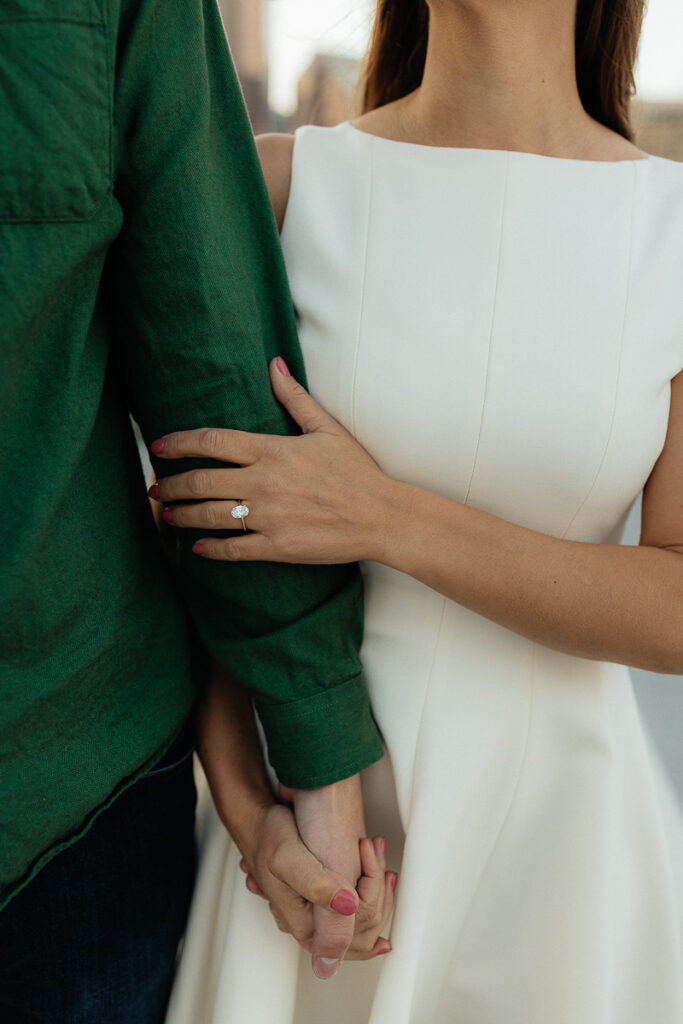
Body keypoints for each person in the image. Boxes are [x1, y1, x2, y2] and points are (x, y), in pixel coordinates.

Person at [156, 0, 683, 1021]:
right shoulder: (275, 188)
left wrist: (386, 517)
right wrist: (245, 802)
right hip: (311, 870)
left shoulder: (671, 229)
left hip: (563, 874)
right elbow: (194, 545)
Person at [0, 0, 389, 1019]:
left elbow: (207, 372)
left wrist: (311, 749)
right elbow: (206, 354)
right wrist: (311, 753)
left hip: (58, 815)